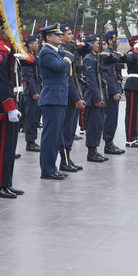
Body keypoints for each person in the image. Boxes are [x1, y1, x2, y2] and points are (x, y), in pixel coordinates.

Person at [0, 6, 31, 198]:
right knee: (3, 145)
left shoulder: (10, 48)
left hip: (13, 100)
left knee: (11, 145)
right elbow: (2, 82)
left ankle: (7, 182)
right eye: (7, 27)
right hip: (4, 102)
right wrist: (10, 106)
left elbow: (31, 61)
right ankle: (0, 185)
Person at [36, 23, 71, 179]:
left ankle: (52, 167)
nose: (60, 36)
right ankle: (47, 169)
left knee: (56, 135)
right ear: (48, 37)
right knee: (50, 136)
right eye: (57, 35)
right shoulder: (46, 52)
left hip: (58, 97)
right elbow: (61, 68)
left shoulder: (55, 51)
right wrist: (68, 58)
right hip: (52, 98)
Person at [59, 24, 87, 172]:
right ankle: (63, 160)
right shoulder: (62, 52)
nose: (71, 36)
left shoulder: (71, 49)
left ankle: (67, 157)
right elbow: (69, 78)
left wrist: (81, 43)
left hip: (76, 90)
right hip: (69, 94)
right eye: (69, 34)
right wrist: (76, 98)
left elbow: (87, 49)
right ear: (61, 36)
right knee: (66, 129)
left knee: (71, 128)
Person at [82, 34, 110, 163]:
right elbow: (91, 81)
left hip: (101, 94)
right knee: (93, 126)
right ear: (92, 44)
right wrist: (97, 98)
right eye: (98, 44)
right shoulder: (89, 59)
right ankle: (91, 152)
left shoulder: (99, 58)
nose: (101, 46)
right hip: (93, 98)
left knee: (99, 125)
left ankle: (95, 149)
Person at [101, 31, 126, 155]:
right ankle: (108, 143)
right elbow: (110, 75)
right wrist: (115, 91)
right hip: (112, 90)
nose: (118, 42)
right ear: (110, 41)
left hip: (115, 87)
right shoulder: (108, 54)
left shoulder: (113, 54)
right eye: (116, 40)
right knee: (111, 118)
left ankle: (110, 142)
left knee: (113, 117)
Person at [22, 34, 42, 152]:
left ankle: (33, 140)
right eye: (35, 43)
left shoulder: (34, 56)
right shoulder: (27, 57)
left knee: (36, 117)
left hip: (37, 89)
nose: (37, 45)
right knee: (31, 117)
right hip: (31, 91)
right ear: (30, 45)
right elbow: (29, 76)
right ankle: (30, 142)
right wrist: (34, 92)